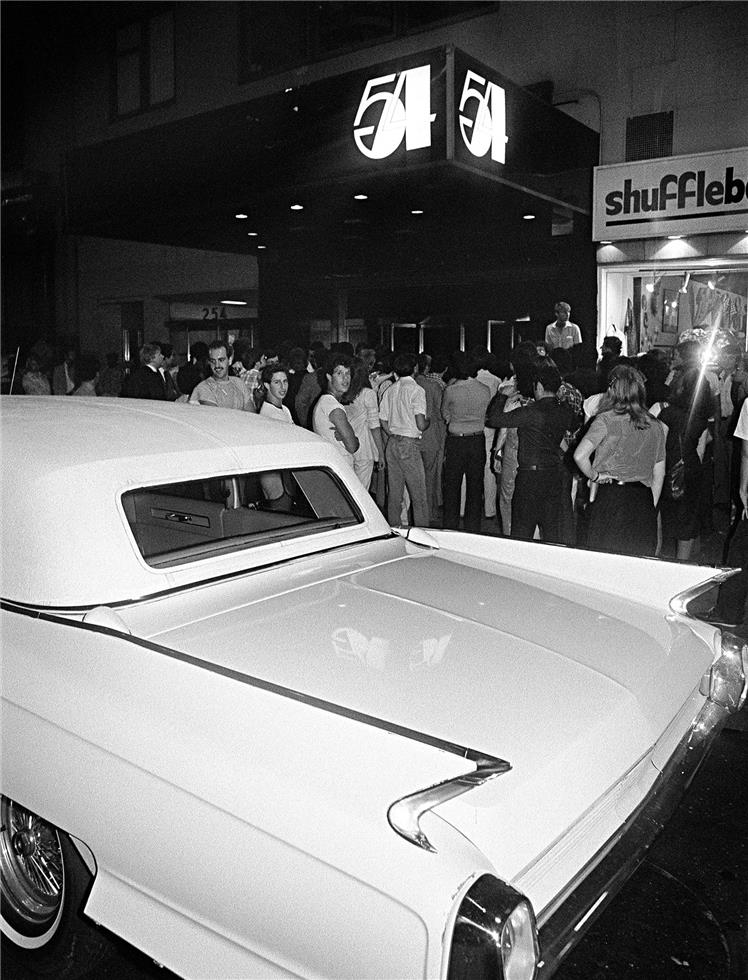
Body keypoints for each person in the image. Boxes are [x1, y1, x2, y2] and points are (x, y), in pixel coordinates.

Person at [574, 364, 666, 557]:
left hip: (611, 497)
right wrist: (652, 505)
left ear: (612, 389)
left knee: (605, 563)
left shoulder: (605, 420)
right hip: (642, 500)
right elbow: (659, 473)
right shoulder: (656, 425)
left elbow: (579, 455)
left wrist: (595, 475)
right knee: (636, 564)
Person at [488, 359, 573, 543]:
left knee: (522, 532)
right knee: (551, 532)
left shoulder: (532, 412)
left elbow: (494, 419)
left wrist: (502, 396)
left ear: (540, 386)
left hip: (530, 477)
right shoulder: (563, 411)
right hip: (553, 475)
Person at [655, 368, 712, 561]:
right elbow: (701, 451)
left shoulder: (667, 413)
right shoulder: (701, 418)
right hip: (692, 468)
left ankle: (657, 558)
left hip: (668, 467)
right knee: (688, 521)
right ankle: (683, 563)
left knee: (660, 515)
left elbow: (659, 446)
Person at [441, 352, 491, 534]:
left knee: (452, 486)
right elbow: (486, 414)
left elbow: (444, 414)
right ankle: (473, 529)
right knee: (475, 486)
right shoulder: (485, 389)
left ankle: (450, 527)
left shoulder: (451, 390)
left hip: (456, 441)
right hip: (477, 439)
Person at [379, 352, 430, 527]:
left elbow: (383, 420)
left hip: (392, 443)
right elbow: (421, 424)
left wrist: (393, 433)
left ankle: (394, 530)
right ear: (415, 368)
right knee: (419, 497)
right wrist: (428, 422)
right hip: (409, 444)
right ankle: (423, 534)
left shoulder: (390, 390)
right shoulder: (417, 390)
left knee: (394, 495)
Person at [341, 358, 385, 492]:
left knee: (347, 490)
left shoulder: (342, 392)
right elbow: (374, 426)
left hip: (344, 444)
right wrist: (381, 453)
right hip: (364, 448)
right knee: (361, 492)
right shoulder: (368, 393)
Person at [312, 353, 359, 465]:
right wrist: (355, 439)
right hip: (341, 464)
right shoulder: (333, 406)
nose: (345, 378)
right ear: (329, 376)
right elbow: (353, 446)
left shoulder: (324, 401)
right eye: (339, 373)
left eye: (348, 373)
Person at [415, 353, 446, 525]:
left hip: (411, 438)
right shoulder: (433, 387)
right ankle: (429, 515)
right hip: (431, 437)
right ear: (426, 367)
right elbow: (442, 414)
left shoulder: (405, 386)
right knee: (430, 478)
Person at [189, 340, 256, 410]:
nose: (217, 365)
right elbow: (218, 418)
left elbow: (251, 416)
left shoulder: (238, 383)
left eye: (221, 360)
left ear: (230, 360)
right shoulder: (203, 387)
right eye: (213, 361)